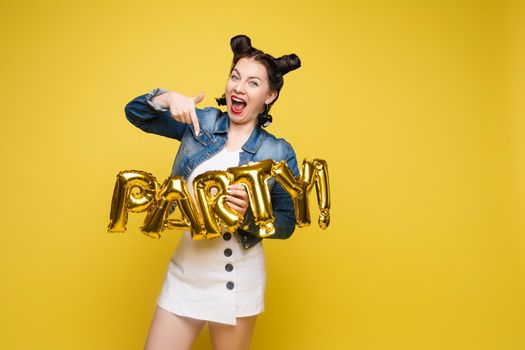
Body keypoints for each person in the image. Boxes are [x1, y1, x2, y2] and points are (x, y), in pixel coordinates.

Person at [124, 34, 302, 350]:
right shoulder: (200, 122)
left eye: (252, 83)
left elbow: (287, 223)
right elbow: (135, 113)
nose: (238, 87)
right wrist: (166, 97)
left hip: (238, 279)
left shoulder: (278, 151)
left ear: (270, 95)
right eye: (235, 77)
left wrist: (251, 212)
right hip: (186, 273)